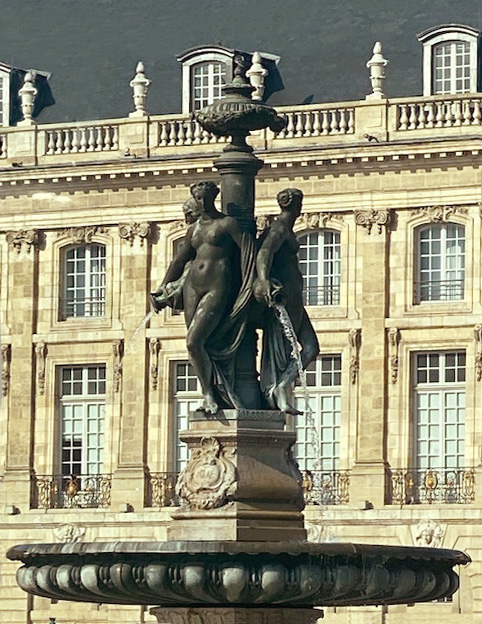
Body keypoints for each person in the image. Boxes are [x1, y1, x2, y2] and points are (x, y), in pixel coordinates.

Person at [151, 181, 255, 414]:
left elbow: (248, 252)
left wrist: (253, 282)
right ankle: (210, 392)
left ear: (214, 198)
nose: (202, 202)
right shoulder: (194, 230)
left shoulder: (227, 224)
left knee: (194, 341)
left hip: (217, 288)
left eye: (205, 198)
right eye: (198, 198)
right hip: (192, 288)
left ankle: (210, 394)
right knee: (198, 344)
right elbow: (179, 260)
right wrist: (163, 287)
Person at [253, 188, 319, 414]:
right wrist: (263, 280)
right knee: (282, 349)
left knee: (311, 348)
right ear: (295, 206)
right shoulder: (279, 228)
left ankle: (282, 385)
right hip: (283, 299)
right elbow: (264, 253)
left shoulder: (285, 229)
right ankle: (276, 390)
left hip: (294, 299)